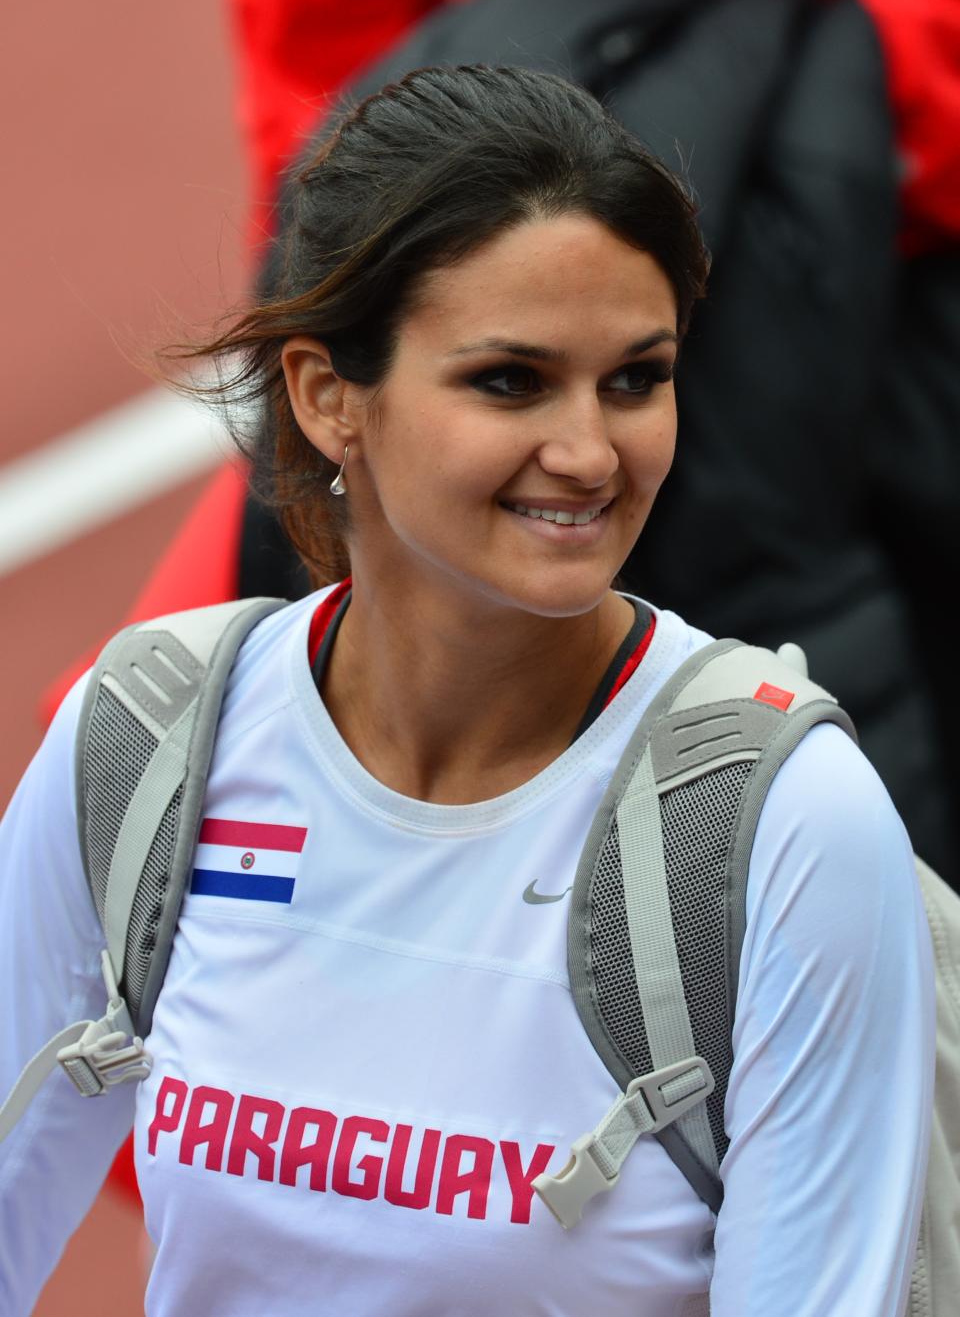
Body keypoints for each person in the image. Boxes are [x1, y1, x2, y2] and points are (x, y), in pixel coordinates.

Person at [2, 65, 934, 1315]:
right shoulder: (144, 743)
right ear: (327, 395)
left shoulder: (782, 831)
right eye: (511, 380)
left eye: (635, 377)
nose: (591, 452)